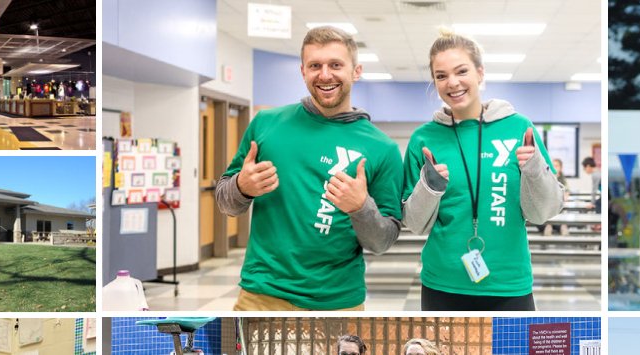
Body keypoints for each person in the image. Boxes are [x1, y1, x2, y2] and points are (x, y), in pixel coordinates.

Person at [215, 26, 404, 311]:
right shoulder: (266, 124)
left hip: (338, 300)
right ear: (303, 71)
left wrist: (360, 207)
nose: (325, 75)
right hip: (261, 295)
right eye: (315, 65)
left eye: (336, 65)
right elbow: (225, 202)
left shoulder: (383, 149)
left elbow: (382, 242)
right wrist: (241, 187)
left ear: (356, 71)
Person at [400, 29, 565, 311]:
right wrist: (429, 187)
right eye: (441, 76)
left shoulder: (517, 127)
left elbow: (544, 212)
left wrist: (534, 170)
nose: (452, 83)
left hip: (508, 282)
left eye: (461, 71)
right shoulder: (423, 139)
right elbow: (415, 224)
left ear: (480, 73)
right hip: (443, 281)